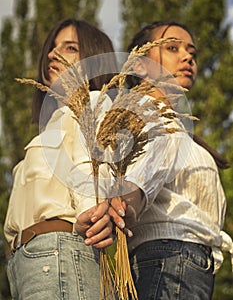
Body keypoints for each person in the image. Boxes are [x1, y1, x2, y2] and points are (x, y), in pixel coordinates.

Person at [4, 17, 127, 300]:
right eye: (53, 47)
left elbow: (93, 163)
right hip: (28, 265)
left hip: (59, 254)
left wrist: (92, 213)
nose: (51, 54)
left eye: (70, 47)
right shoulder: (52, 127)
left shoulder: (93, 104)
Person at [119, 21, 233, 300]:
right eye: (172, 48)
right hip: (170, 261)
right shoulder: (148, 114)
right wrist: (124, 206)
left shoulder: (174, 125)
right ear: (140, 65)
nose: (187, 57)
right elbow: (139, 175)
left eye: (191, 52)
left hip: (179, 264)